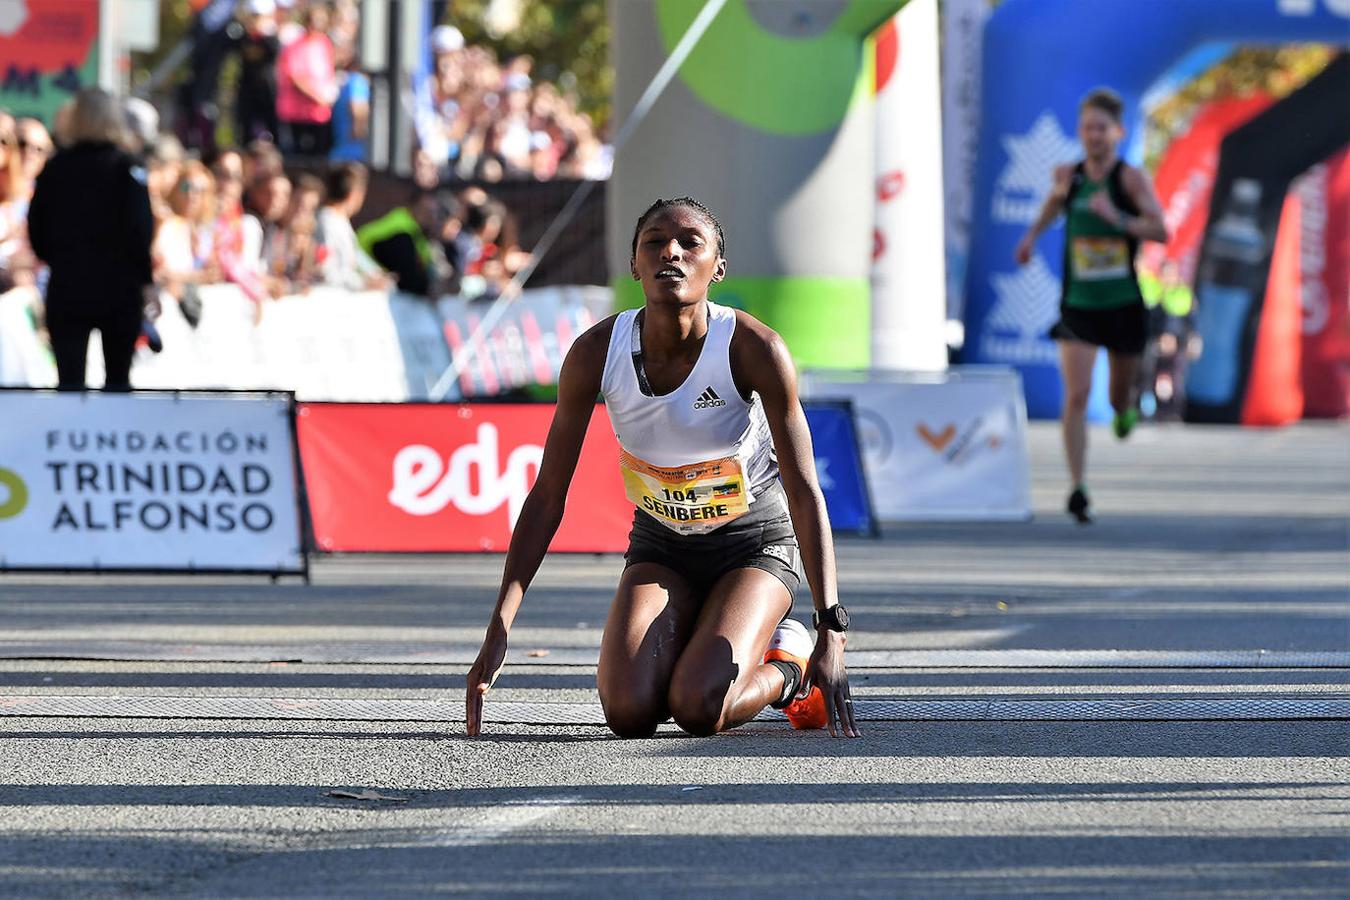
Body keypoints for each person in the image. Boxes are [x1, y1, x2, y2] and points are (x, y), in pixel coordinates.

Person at [465, 197, 858, 740]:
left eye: (690, 242)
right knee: (629, 715)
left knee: (698, 709)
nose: (670, 252)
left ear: (717, 266)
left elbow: (804, 490)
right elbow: (548, 494)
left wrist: (831, 627)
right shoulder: (594, 353)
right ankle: (709, 632)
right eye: (653, 241)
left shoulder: (755, 349)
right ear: (634, 264)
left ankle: (787, 665)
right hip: (663, 546)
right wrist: (501, 624)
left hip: (755, 544)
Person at [1014, 88, 1168, 524]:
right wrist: (1030, 238)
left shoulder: (1129, 179)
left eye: (1101, 127)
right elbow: (1051, 206)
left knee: (1119, 395)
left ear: (1117, 132)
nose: (1093, 135)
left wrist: (1115, 217)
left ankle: (1125, 410)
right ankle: (1078, 487)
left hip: (1121, 303)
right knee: (1077, 395)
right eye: (1086, 127)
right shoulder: (1070, 175)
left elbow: (1161, 230)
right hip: (1079, 304)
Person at [27, 89, 155, 390]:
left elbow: (37, 228)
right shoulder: (128, 167)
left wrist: (60, 257)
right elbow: (140, 229)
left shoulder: (56, 168)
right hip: (119, 289)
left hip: (68, 286)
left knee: (69, 384)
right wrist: (145, 279)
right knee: (118, 382)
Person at [356, 187, 453, 298]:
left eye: (433, 213)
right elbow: (409, 281)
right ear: (414, 207)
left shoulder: (417, 234)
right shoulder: (401, 233)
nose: (432, 217)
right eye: (427, 211)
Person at [275, 1, 336, 157]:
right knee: (298, 156)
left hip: (320, 115)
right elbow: (295, 78)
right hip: (297, 114)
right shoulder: (294, 47)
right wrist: (317, 97)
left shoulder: (324, 44)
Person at [316, 162, 386, 290]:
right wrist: (362, 283)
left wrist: (374, 275)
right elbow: (326, 270)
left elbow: (356, 258)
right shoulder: (326, 222)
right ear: (355, 193)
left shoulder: (341, 221)